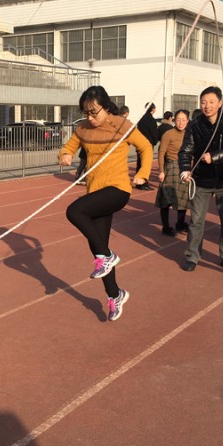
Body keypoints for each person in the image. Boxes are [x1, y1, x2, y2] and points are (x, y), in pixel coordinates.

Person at [58, 85, 152, 321]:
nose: (90, 117)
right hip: (95, 190)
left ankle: (108, 256)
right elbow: (68, 147)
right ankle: (115, 294)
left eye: (94, 112)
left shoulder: (121, 125)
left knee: (74, 211)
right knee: (98, 248)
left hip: (117, 188)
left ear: (106, 107)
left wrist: (143, 173)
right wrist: (65, 156)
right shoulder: (83, 129)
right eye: (86, 113)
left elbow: (145, 147)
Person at [178, 86, 223, 272]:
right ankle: (192, 256)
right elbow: (186, 150)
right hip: (201, 180)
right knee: (196, 221)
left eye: (211, 102)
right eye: (204, 102)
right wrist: (185, 169)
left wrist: (214, 156)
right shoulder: (194, 125)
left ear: (220, 103)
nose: (207, 106)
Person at [155, 109, 190, 236]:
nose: (181, 122)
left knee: (183, 200)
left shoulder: (189, 134)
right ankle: (166, 226)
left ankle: (180, 224)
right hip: (171, 167)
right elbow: (161, 153)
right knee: (166, 200)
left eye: (184, 120)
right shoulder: (168, 134)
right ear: (174, 120)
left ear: (188, 121)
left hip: (185, 168)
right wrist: (161, 171)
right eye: (178, 119)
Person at [135, 103, 158, 190]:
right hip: (148, 144)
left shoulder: (141, 119)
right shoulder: (151, 120)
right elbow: (154, 133)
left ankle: (138, 182)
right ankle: (143, 183)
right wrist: (155, 141)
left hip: (139, 143)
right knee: (146, 164)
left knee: (139, 163)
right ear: (152, 109)